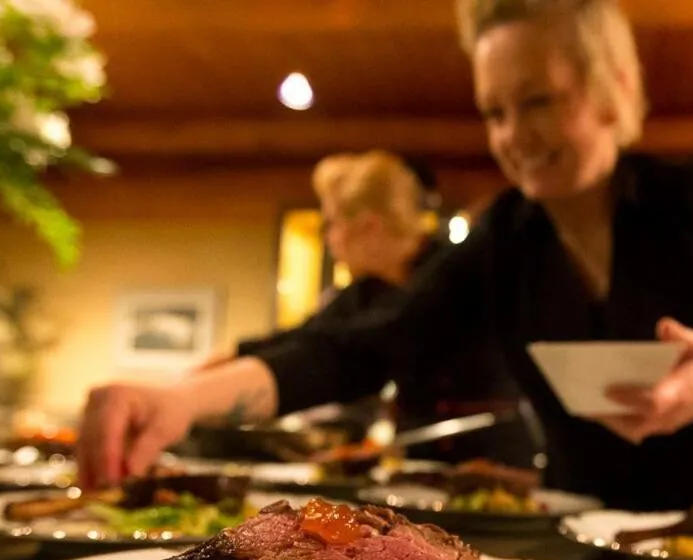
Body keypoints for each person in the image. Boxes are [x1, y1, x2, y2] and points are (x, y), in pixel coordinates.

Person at [78, 0, 693, 510]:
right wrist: (185, 400)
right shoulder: (503, 238)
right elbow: (363, 345)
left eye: (539, 102)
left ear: (612, 88)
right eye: (495, 111)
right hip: (585, 536)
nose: (515, 136)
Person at [200, 150, 538, 466]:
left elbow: (385, 334)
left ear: (369, 226)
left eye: (331, 223)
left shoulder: (451, 272)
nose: (329, 238)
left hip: (496, 462)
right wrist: (217, 367)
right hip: (420, 464)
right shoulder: (366, 290)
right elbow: (310, 339)